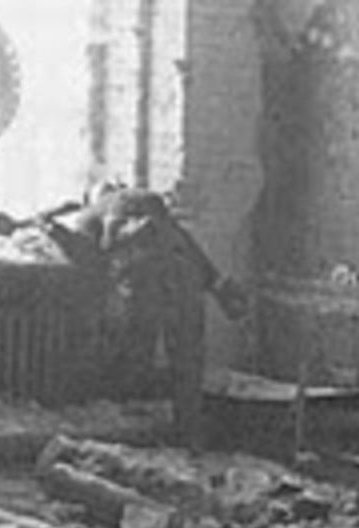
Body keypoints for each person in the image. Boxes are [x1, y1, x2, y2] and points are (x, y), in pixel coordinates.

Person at [41, 183, 248, 446]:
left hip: (144, 280)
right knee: (187, 363)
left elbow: (89, 261)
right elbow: (189, 249)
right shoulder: (150, 205)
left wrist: (53, 230)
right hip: (185, 279)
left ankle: (130, 440)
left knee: (133, 356)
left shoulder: (92, 213)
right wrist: (219, 288)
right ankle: (188, 436)